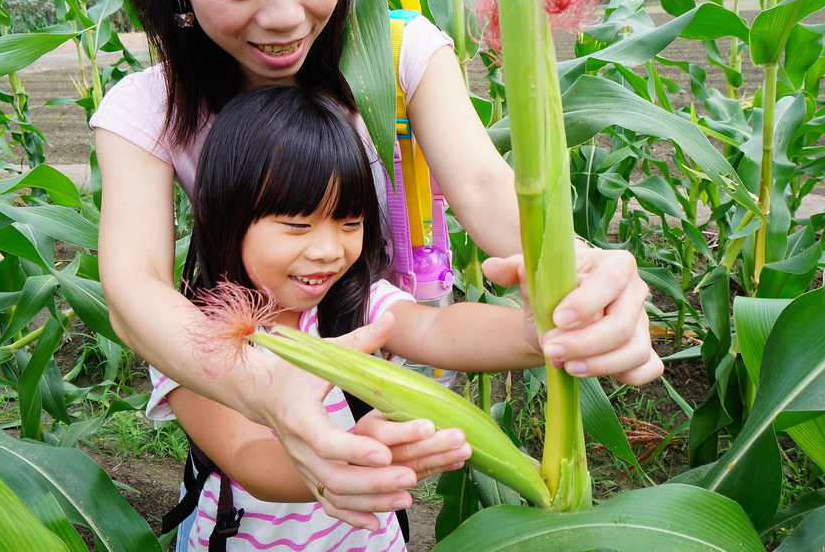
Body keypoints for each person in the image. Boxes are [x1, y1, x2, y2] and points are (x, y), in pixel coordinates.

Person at [92, 0, 662, 532]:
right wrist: (262, 384)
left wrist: (584, 283)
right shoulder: (145, 109)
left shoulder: (399, 50)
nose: (283, 16)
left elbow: (483, 189)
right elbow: (133, 289)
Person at [152, 84, 560, 551]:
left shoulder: (348, 304)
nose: (329, 251)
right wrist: (346, 461)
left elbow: (435, 328)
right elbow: (247, 455)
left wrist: (533, 334)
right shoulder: (188, 332)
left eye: (350, 223)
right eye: (298, 225)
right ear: (220, 213)